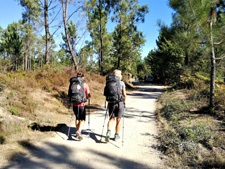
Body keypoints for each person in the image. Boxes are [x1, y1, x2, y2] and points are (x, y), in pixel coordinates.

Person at [105, 69, 126, 142]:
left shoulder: (109, 83)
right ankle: (116, 135)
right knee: (118, 119)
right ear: (120, 75)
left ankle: (108, 132)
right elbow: (124, 95)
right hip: (119, 103)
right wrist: (124, 103)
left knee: (111, 118)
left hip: (111, 102)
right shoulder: (122, 83)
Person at [72, 72, 91, 140]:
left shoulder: (73, 84)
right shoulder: (85, 85)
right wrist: (89, 96)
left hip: (74, 104)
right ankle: (79, 131)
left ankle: (78, 132)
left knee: (77, 118)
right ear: (83, 78)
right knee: (82, 119)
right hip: (81, 104)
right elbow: (88, 95)